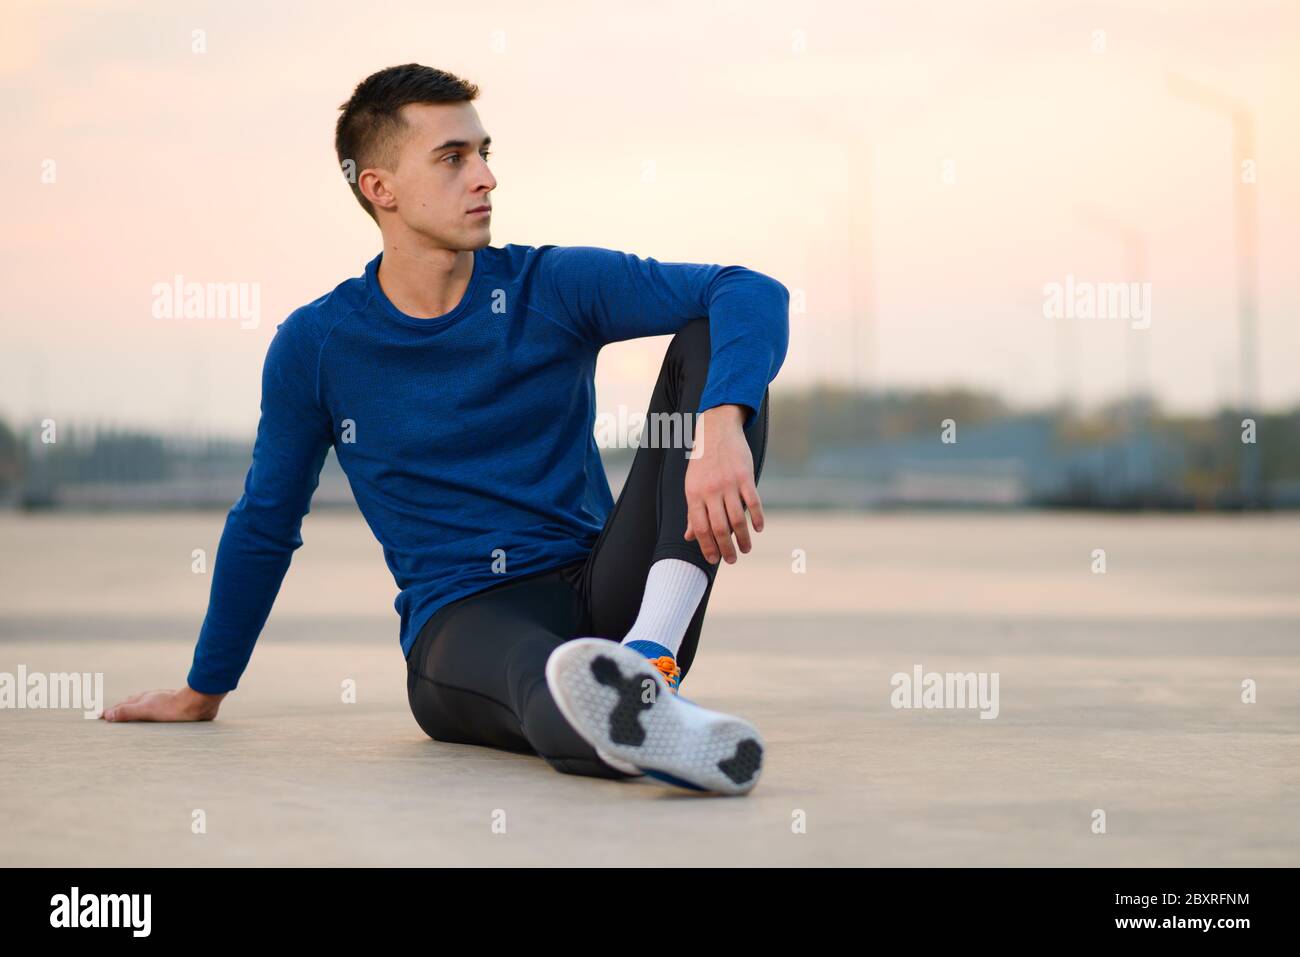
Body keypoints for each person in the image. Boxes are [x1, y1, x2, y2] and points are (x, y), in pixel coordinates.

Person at [101, 63, 788, 795]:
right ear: (380, 188)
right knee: (537, 676)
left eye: (486, 153)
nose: (485, 177)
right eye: (453, 158)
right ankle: (645, 720)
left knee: (719, 345)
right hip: (464, 625)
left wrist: (719, 426)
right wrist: (203, 688)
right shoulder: (320, 345)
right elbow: (266, 521)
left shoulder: (546, 286)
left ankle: (649, 665)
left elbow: (748, 290)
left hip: (612, 592)